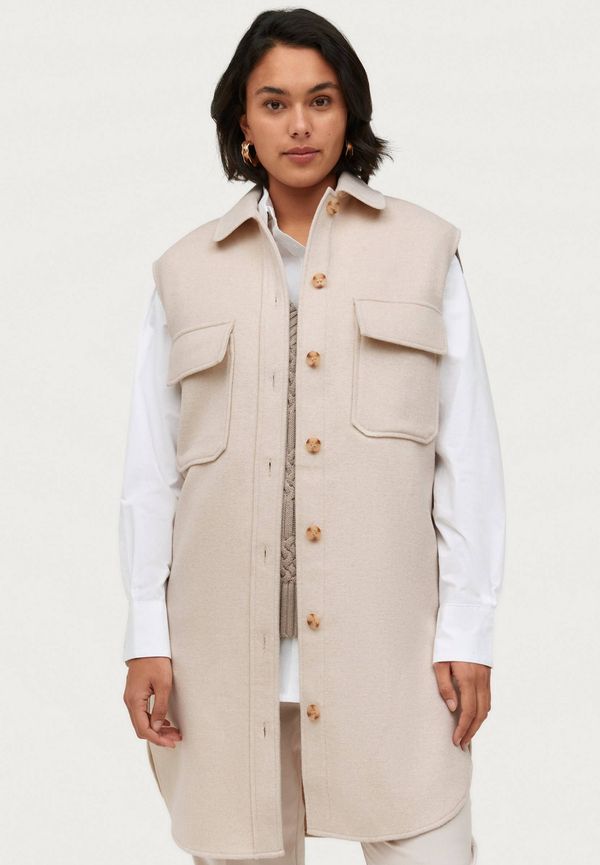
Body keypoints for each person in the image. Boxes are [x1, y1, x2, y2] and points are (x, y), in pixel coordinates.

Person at [119, 8, 505, 865]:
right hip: (221, 661)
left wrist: (468, 632)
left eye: (320, 100)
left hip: (393, 652)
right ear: (243, 124)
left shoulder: (424, 252)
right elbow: (153, 470)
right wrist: (146, 632)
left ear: (349, 114)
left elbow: (467, 458)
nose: (299, 124)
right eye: (275, 103)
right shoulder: (185, 271)